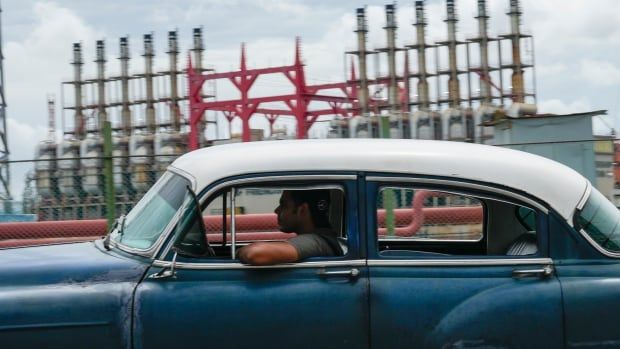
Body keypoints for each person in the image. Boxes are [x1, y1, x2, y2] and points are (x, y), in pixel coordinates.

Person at [237, 189, 342, 265]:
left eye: (283, 205)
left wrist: (238, 252)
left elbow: (255, 253)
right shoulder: (323, 238)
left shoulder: (315, 241)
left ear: (302, 210)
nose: (276, 210)